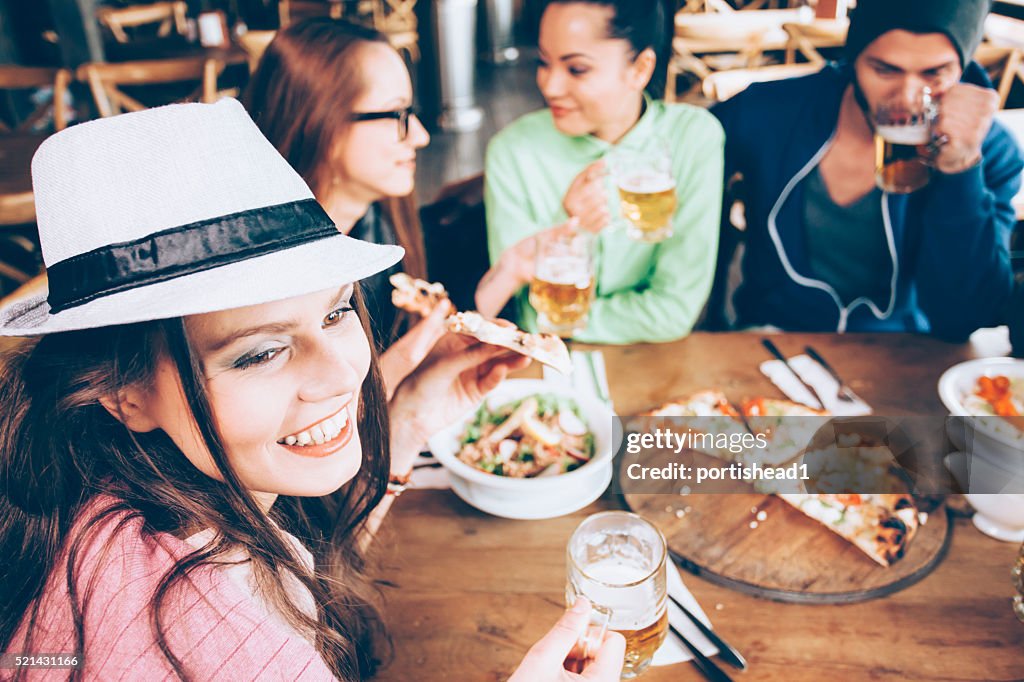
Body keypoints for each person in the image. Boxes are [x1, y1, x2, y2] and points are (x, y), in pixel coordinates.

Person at [0, 101, 624, 680]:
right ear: (121, 392)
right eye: (261, 352)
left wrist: (403, 424)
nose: (342, 373)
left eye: (334, 313)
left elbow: (297, 582)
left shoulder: (131, 499)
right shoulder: (190, 627)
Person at [712, 0, 1024, 340]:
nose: (906, 98)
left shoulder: (992, 151)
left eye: (934, 73)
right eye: (885, 70)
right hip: (772, 339)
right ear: (854, 60)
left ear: (962, 68)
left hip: (901, 353)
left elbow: (963, 316)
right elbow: (680, 148)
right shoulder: (770, 112)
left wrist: (959, 170)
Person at [476, 0, 724, 344]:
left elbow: (674, 311)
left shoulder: (694, 138)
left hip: (655, 364)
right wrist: (569, 226)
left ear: (640, 69)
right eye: (543, 63)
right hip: (539, 370)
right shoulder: (513, 150)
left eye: (576, 69)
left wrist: (559, 319)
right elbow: (528, 312)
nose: (550, 86)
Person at [244, 19, 442, 394]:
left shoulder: (379, 222)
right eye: (397, 114)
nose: (420, 135)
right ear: (324, 123)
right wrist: (406, 361)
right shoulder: (266, 281)